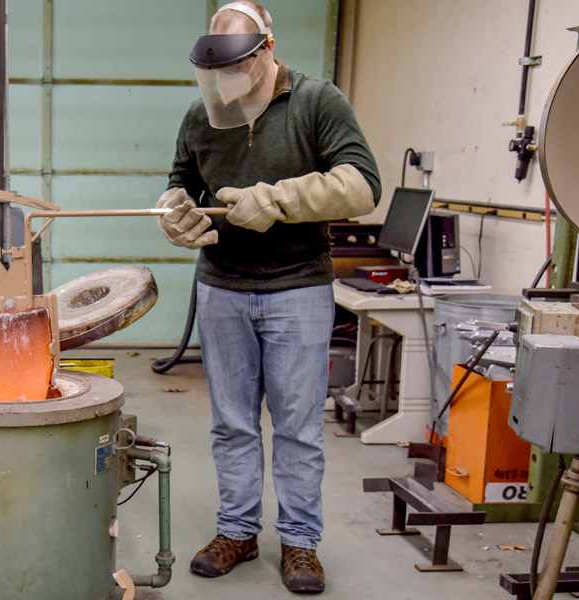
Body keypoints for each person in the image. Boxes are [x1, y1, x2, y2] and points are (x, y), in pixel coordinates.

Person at [157, 1, 380, 593]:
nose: (227, 85)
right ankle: (238, 531)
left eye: (238, 69)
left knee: (298, 426)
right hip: (222, 286)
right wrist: (174, 215)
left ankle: (301, 544)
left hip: (297, 286)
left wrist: (278, 198)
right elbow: (181, 184)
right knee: (232, 424)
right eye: (217, 74)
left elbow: (361, 184)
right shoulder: (202, 115)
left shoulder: (317, 101)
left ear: (267, 50)